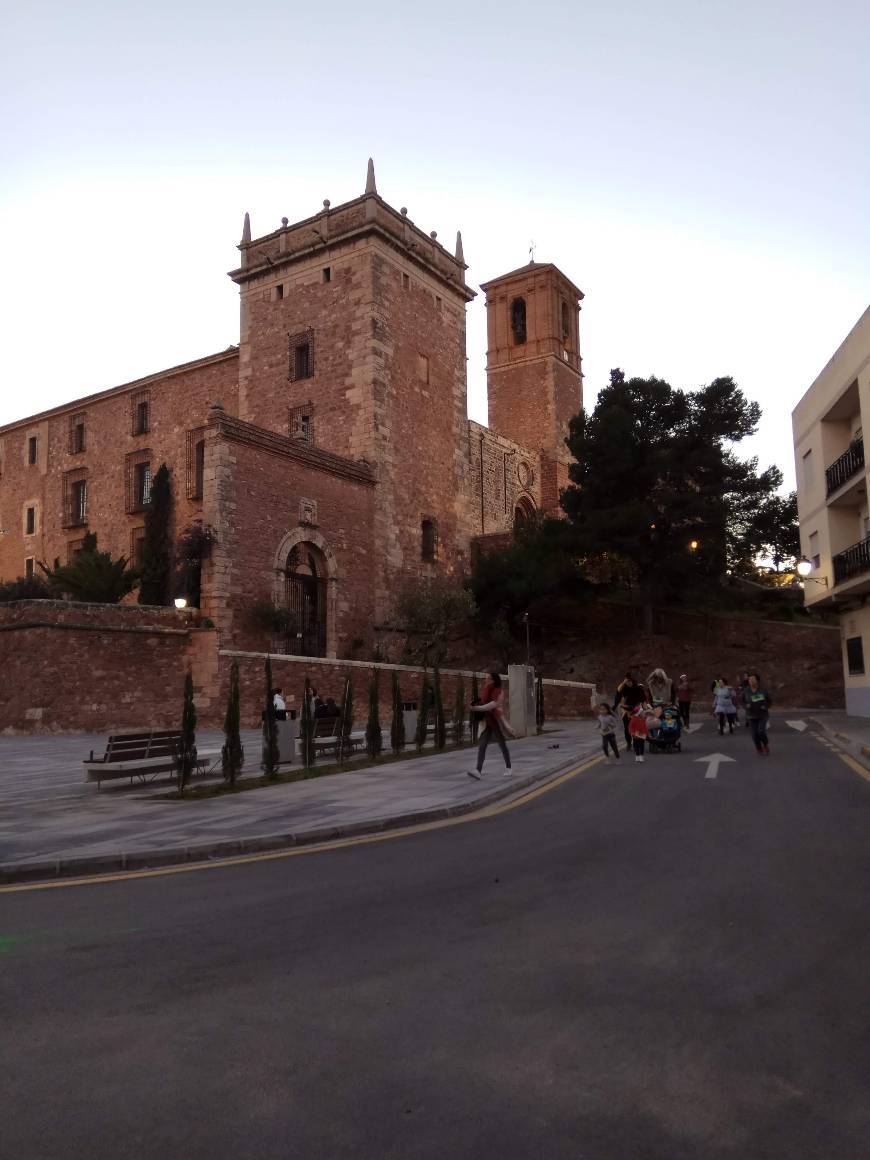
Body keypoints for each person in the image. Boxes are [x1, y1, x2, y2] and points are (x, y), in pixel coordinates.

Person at [467, 672, 512, 779]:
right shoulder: (486, 690)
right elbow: (483, 703)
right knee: (482, 746)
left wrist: (477, 708)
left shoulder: (499, 691)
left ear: (493, 680)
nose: (485, 680)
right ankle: (478, 770)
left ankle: (509, 768)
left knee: (502, 745)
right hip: (487, 721)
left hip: (496, 720)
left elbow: (493, 705)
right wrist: (476, 703)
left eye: (488, 678)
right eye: (485, 678)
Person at [741, 672, 773, 755]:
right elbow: (741, 700)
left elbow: (769, 701)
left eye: (752, 679)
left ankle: (765, 744)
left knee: (761, 731)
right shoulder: (746, 691)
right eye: (749, 679)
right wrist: (745, 706)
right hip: (751, 715)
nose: (750, 681)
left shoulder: (763, 690)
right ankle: (759, 748)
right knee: (754, 734)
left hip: (762, 714)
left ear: (757, 681)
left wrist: (765, 706)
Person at [616, 673, 646, 750]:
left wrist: (645, 709)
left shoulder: (638, 689)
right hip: (626, 710)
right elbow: (618, 690)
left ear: (633, 682)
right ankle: (628, 743)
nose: (629, 683)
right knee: (627, 728)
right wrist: (623, 682)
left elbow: (643, 700)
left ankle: (637, 742)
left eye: (630, 682)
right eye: (627, 682)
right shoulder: (623, 689)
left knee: (636, 727)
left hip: (636, 710)